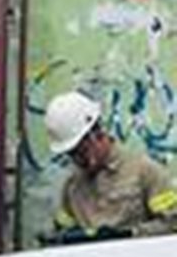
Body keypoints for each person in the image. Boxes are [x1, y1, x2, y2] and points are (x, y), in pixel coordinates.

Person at [44, 90, 177, 240]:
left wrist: (131, 234)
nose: (78, 160)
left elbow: (173, 223)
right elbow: (62, 231)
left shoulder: (144, 172)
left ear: (96, 134)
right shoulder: (72, 187)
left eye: (81, 152)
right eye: (71, 154)